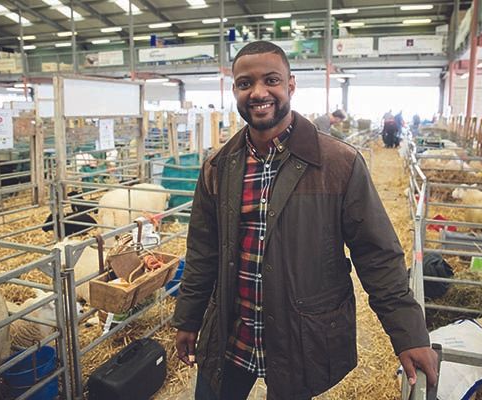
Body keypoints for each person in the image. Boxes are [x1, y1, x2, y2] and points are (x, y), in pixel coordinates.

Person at [172, 41, 438, 400]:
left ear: (291, 85)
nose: (258, 92)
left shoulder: (338, 163)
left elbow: (376, 253)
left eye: (271, 80)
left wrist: (409, 334)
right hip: (232, 335)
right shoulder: (219, 167)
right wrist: (188, 318)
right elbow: (202, 252)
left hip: (299, 336)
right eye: (245, 83)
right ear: (234, 89)